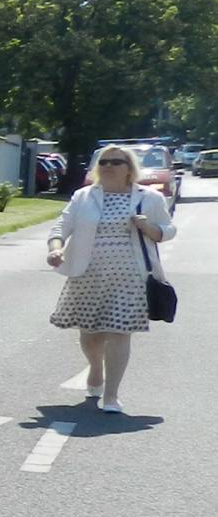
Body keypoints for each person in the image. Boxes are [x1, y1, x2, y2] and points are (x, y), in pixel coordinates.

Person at [46, 143, 174, 414]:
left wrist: (147, 226)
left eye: (116, 162)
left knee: (119, 332)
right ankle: (96, 367)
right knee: (90, 334)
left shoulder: (150, 198)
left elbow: (168, 229)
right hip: (88, 274)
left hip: (130, 276)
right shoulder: (83, 196)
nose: (108, 167)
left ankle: (112, 395)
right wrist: (56, 249)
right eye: (103, 162)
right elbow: (61, 227)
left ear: (129, 169)